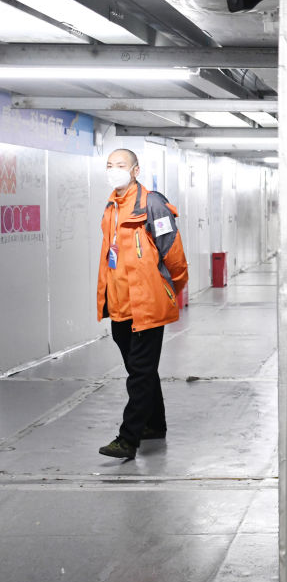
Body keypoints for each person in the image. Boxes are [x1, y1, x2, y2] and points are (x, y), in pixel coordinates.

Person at [95, 149, 188, 460]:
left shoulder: (153, 204)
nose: (114, 170)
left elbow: (173, 253)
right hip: (120, 305)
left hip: (146, 305)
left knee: (139, 373)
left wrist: (169, 290)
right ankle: (155, 425)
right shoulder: (112, 205)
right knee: (142, 370)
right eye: (110, 165)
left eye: (120, 165)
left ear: (135, 170)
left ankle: (128, 438)